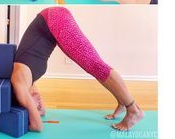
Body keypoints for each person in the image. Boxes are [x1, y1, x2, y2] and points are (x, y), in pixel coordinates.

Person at [11, 7, 144, 132]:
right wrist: (36, 109)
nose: (40, 102)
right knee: (94, 67)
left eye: (33, 104)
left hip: (55, 19)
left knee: (96, 66)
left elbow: (37, 126)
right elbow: (42, 111)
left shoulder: (20, 83)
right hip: (52, 23)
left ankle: (133, 110)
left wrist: (23, 120)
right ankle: (122, 101)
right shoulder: (28, 82)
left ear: (23, 102)